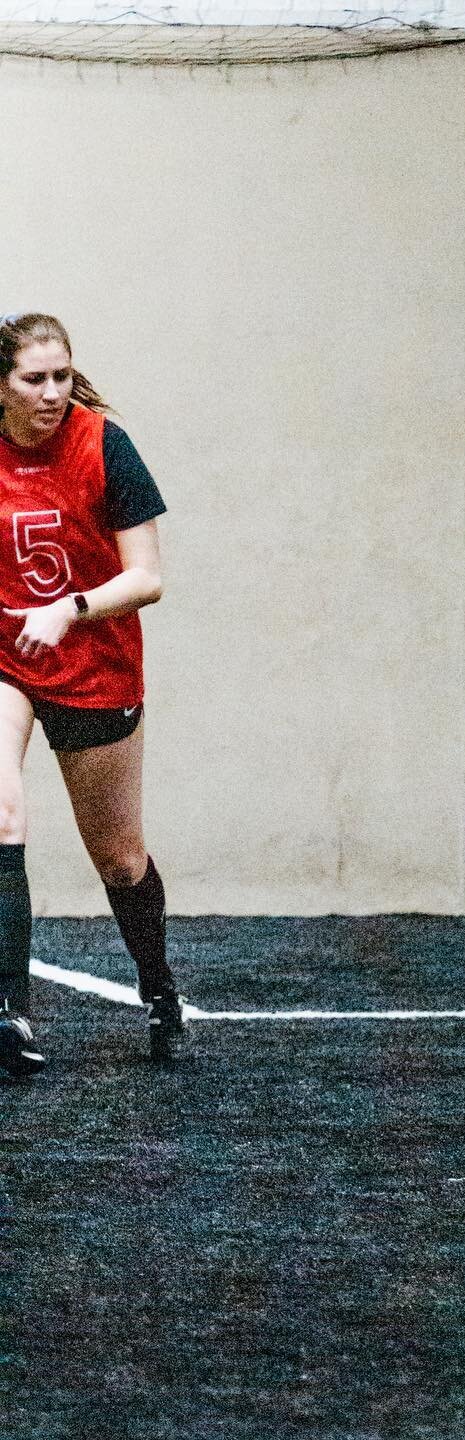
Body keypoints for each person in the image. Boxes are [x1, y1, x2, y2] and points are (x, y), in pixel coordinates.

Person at [0, 312, 190, 1076]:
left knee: (117, 857)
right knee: (2, 809)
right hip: (8, 657)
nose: (52, 393)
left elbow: (148, 577)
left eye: (62, 376)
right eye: (33, 379)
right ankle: (9, 1012)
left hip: (92, 660)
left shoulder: (103, 443)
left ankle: (158, 988)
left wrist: (69, 608)